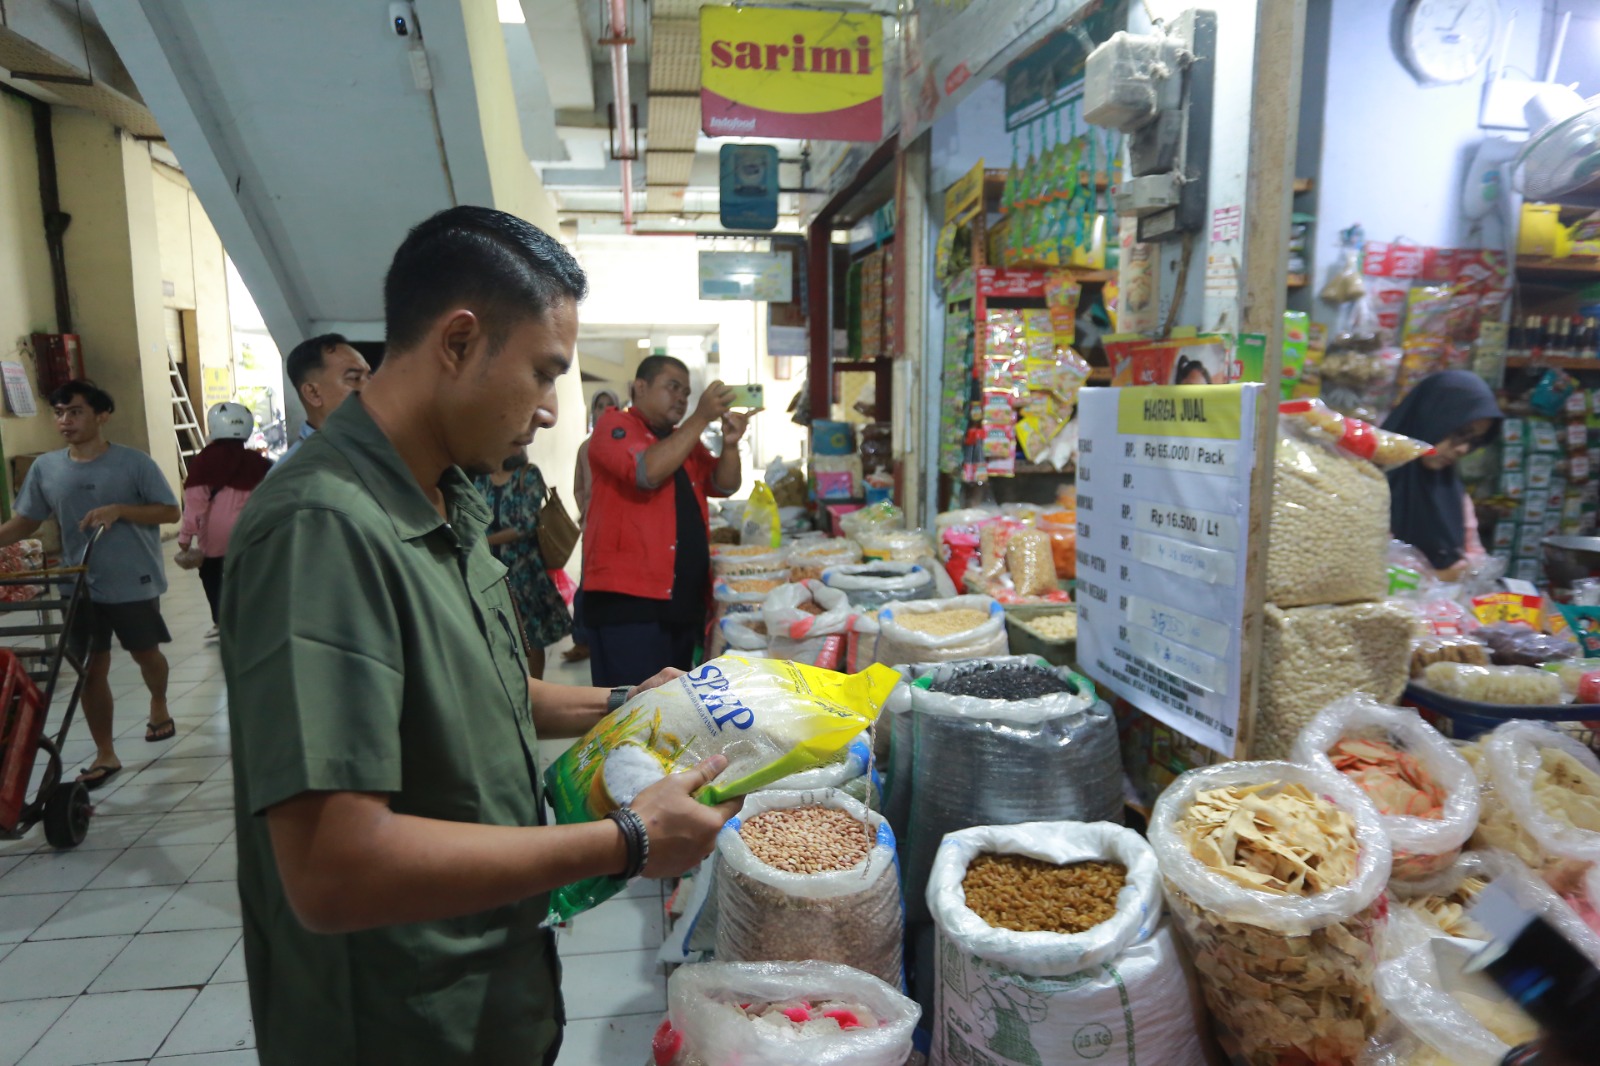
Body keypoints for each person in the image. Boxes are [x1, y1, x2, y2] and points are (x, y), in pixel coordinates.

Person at [220, 206, 737, 1066]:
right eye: (542, 374)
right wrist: (628, 842)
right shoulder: (325, 527)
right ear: (458, 342)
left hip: (491, 984)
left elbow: (489, 690)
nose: (545, 412)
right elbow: (331, 866)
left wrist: (627, 700)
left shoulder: (445, 496)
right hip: (400, 1020)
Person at [0, 380, 181, 787]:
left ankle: (159, 702)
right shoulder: (46, 468)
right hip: (77, 582)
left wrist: (120, 510)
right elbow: (27, 520)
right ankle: (106, 753)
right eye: (60, 412)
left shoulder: (134, 463)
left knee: (144, 653)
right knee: (89, 669)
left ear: (102, 416)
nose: (66, 420)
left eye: (76, 411)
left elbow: (170, 512)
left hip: (131, 577)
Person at [582, 357, 754, 688]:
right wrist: (701, 417)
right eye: (672, 387)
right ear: (640, 387)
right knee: (633, 715)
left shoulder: (682, 440)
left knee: (672, 713)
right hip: (629, 606)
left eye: (687, 392)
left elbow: (724, 484)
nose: (682, 398)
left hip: (680, 603)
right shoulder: (613, 426)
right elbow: (647, 472)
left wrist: (730, 444)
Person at [1382, 369, 1503, 578]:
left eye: (1473, 442)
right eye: (1460, 434)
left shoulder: (1451, 491)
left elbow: (1474, 554)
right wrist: (1438, 576)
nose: (1463, 449)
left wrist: (1466, 569)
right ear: (1431, 417)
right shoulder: (1372, 481)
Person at [177, 402, 273, 635]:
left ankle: (221, 621)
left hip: (215, 536)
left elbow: (195, 503)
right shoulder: (258, 461)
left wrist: (186, 535)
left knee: (213, 574)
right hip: (253, 532)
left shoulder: (204, 461)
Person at [473, 454, 572, 680]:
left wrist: (483, 541)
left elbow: (526, 525)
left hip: (524, 570)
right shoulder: (481, 475)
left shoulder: (528, 474)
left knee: (530, 634)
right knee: (490, 629)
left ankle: (536, 687)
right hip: (486, 568)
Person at [563, 388, 620, 665]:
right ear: (593, 412)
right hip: (593, 529)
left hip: (620, 531)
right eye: (600, 406)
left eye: (611, 406)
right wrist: (588, 511)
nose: (605, 411)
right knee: (587, 585)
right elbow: (578, 487)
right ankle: (583, 640)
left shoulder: (626, 444)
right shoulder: (585, 448)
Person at [271, 332, 371, 470]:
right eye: (354, 378)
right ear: (313, 393)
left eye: (369, 376)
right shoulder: (295, 472)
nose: (370, 388)